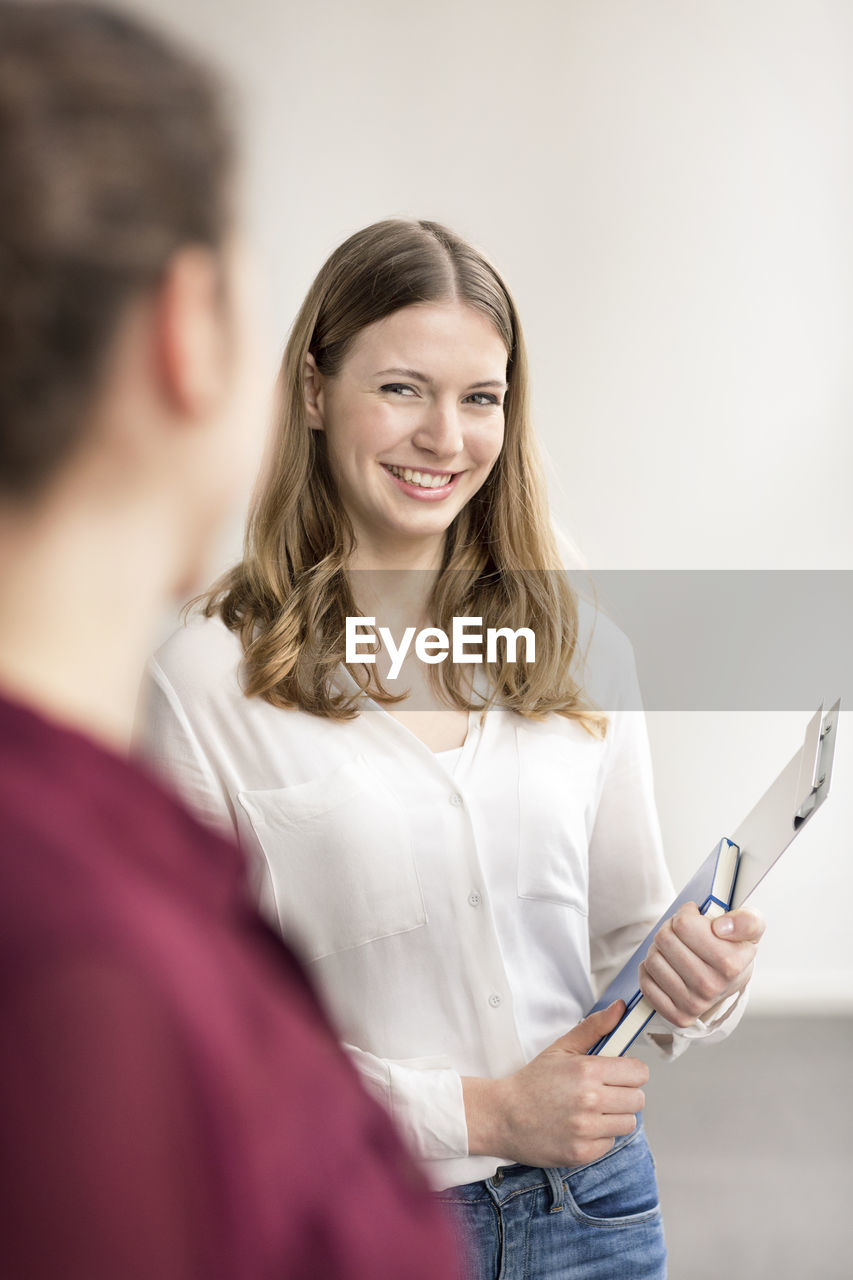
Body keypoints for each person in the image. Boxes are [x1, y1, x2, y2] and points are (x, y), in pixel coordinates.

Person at [141, 217, 765, 1279]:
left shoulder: (572, 641)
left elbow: (625, 935)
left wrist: (699, 981)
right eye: (400, 388)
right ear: (311, 390)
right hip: (350, 1219)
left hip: (594, 1211)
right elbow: (196, 1050)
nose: (444, 436)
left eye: (480, 397)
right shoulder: (204, 676)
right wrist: (484, 1112)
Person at [0, 9, 460, 1279]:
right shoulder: (83, 974)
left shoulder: (108, 867)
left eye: (479, 396)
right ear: (189, 326)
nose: (441, 435)